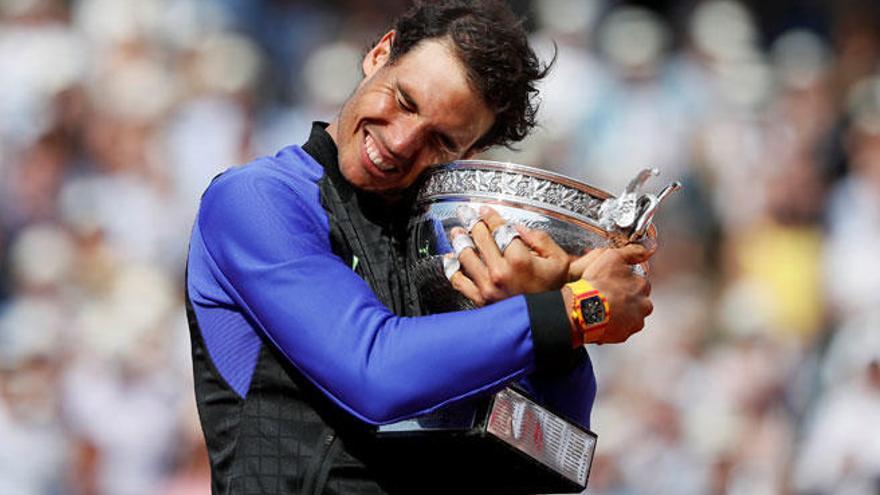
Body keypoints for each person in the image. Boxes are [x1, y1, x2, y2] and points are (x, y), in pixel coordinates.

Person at [185, 1, 654, 493]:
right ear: (380, 53)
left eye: (441, 140)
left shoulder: (458, 247)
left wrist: (549, 330)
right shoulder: (257, 198)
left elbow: (554, 459)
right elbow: (374, 374)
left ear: (470, 155)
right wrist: (578, 309)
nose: (402, 142)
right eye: (405, 100)